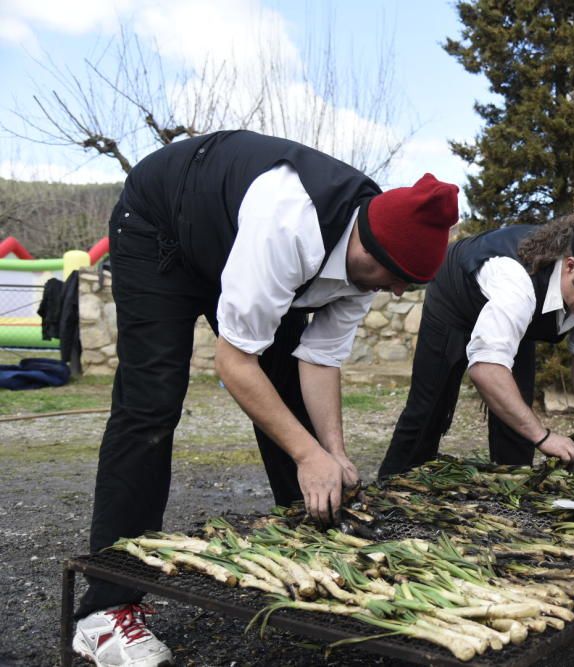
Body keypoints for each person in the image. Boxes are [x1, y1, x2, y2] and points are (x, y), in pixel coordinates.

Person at [72, 129, 458, 667]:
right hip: (162, 226)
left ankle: (307, 553)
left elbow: (320, 361)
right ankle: (105, 614)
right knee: (151, 404)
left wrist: (333, 453)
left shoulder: (367, 268)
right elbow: (234, 364)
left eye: (407, 286)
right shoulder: (289, 223)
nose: (394, 293)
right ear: (366, 245)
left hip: (233, 242)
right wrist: (306, 454)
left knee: (297, 415)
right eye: (395, 278)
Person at [377, 211, 574, 478]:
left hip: (515, 315)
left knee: (518, 411)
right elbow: (485, 368)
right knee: (429, 408)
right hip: (455, 298)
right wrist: (544, 437)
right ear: (571, 266)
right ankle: (392, 488)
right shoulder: (516, 284)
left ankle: (513, 495)